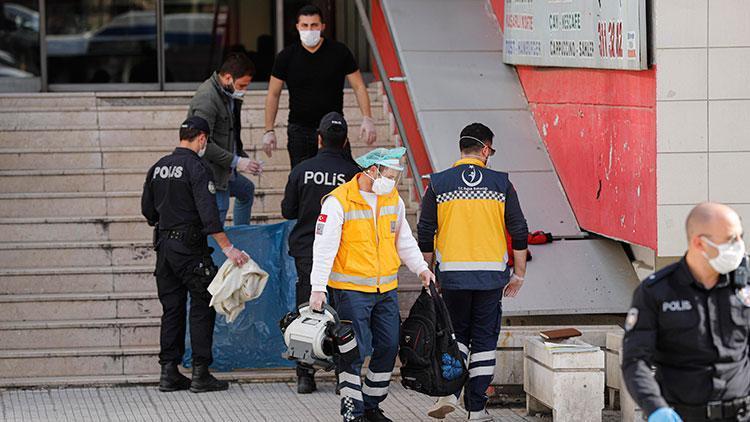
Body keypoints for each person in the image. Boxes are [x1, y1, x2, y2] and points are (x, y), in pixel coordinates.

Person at [309, 147, 436, 422]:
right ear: (373, 170)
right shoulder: (339, 201)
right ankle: (352, 410)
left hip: (385, 290)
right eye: (391, 175)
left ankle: (370, 404)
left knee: (389, 346)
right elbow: (324, 247)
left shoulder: (393, 199)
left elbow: (404, 240)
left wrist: (422, 269)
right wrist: (318, 287)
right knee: (351, 352)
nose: (394, 181)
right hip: (350, 291)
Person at [417, 123, 529, 421]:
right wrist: (519, 274)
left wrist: (427, 271)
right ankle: (476, 410)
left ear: (460, 150)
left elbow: (425, 230)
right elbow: (519, 229)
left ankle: (450, 392)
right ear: (484, 149)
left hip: (452, 276)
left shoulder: (438, 183)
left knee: (456, 337)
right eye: (490, 150)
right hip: (490, 276)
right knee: (484, 340)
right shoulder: (501, 183)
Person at [141, 116, 251, 393]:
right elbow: (208, 213)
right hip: (190, 249)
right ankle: (201, 373)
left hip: (164, 249)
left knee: (172, 309)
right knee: (203, 305)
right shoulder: (197, 167)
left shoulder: (158, 167)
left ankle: (169, 372)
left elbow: (148, 212)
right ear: (202, 138)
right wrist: (228, 248)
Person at [622, 202, 750, 422]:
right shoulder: (657, 292)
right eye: (730, 239)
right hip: (683, 415)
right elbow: (636, 360)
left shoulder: (745, 283)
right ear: (699, 243)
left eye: (740, 236)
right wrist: (655, 408)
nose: (739, 246)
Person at [281, 111, 361, 394]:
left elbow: (287, 210)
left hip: (307, 251)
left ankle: (305, 376)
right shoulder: (355, 175)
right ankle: (344, 375)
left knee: (307, 311)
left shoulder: (302, 170)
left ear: (318, 139)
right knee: (343, 312)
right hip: (345, 253)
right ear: (346, 141)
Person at [263, 4, 377, 168]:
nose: (310, 29)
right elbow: (273, 94)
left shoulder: (339, 52)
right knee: (302, 179)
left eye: (314, 25)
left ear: (323, 26)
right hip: (300, 129)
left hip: (333, 128)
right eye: (305, 25)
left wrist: (367, 118)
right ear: (297, 27)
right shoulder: (286, 56)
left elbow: (359, 86)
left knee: (342, 177)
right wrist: (269, 130)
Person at [188, 52, 262, 226]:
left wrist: (243, 159)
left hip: (225, 168)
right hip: (210, 171)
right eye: (241, 85)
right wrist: (236, 161)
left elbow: (230, 133)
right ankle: (216, 252)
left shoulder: (229, 95)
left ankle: (241, 235)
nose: (244, 90)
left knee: (246, 190)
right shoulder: (207, 98)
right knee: (218, 215)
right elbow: (203, 143)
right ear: (228, 77)